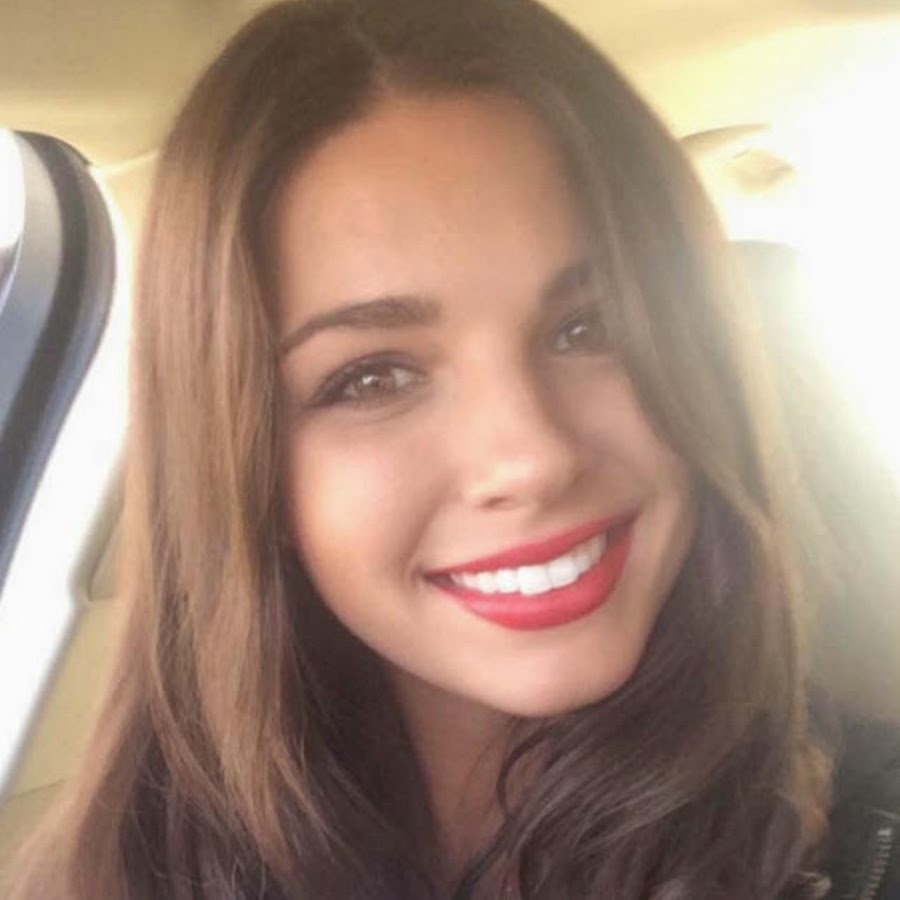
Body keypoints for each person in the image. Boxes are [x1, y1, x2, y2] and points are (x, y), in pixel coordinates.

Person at [5, 0, 899, 898]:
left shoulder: (865, 836)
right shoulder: (103, 876)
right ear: (242, 469)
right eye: (373, 378)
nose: (532, 458)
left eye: (594, 326)